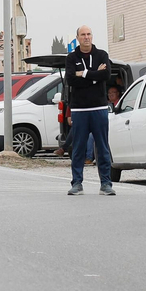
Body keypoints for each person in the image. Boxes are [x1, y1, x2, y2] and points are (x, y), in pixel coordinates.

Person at [63, 25, 115, 195]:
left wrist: (83, 73)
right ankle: (77, 183)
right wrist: (94, 76)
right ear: (77, 38)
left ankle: (106, 184)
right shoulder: (71, 58)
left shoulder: (102, 55)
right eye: (83, 35)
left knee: (102, 146)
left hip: (99, 107)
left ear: (92, 36)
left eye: (89, 34)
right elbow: (70, 79)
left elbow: (106, 76)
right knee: (78, 147)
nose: (86, 37)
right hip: (79, 109)